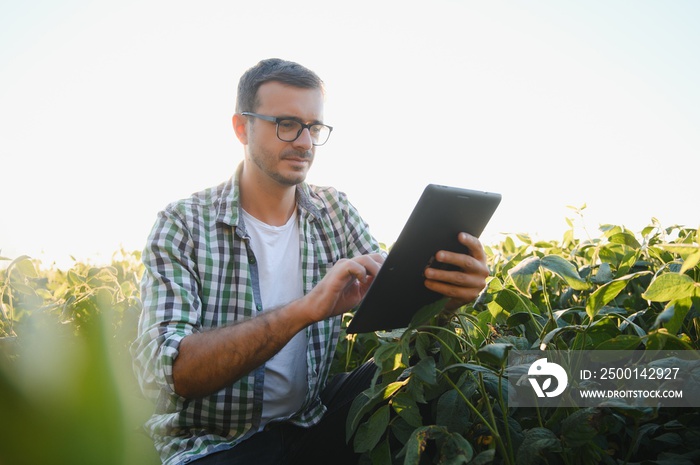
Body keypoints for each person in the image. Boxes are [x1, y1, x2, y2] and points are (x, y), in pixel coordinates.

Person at [131, 58, 490, 465]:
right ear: (241, 127)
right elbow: (170, 373)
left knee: (431, 374)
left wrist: (452, 295)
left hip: (310, 419)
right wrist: (304, 309)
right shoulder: (183, 223)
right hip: (214, 442)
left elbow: (395, 305)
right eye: (286, 123)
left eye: (313, 127)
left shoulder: (333, 209)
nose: (304, 142)